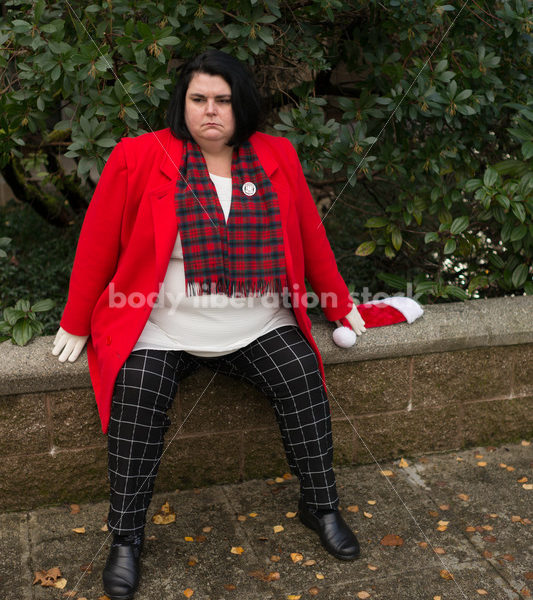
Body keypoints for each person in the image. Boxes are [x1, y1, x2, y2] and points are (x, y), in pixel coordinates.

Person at [52, 49, 367, 600]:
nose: (211, 111)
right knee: (136, 405)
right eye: (199, 99)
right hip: (160, 328)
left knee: (303, 383)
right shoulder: (139, 156)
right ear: (184, 103)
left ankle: (320, 506)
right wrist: (77, 321)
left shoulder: (276, 156)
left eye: (222, 100)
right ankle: (126, 538)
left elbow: (309, 238)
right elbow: (97, 244)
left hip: (258, 323)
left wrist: (338, 304)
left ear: (240, 105)